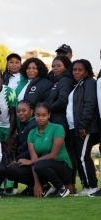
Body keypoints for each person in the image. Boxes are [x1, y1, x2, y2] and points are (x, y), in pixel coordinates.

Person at [7, 103, 72, 198]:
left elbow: (53, 155)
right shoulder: (32, 134)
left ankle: (62, 188)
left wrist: (31, 161)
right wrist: (37, 184)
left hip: (62, 167)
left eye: (44, 115)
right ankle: (45, 187)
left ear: (49, 115)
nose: (40, 118)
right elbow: (34, 160)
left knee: (39, 165)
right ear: (34, 115)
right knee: (12, 169)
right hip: (42, 167)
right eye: (38, 115)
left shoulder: (58, 128)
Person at [66, 59, 100, 196]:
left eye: (80, 69)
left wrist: (83, 126)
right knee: (81, 157)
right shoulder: (79, 84)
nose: (76, 72)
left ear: (86, 71)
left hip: (86, 128)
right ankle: (86, 187)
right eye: (74, 69)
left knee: (82, 157)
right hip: (76, 127)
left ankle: (92, 187)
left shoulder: (89, 83)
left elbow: (89, 104)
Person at [45, 56, 74, 191]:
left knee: (65, 154)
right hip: (56, 121)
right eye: (53, 66)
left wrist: (46, 110)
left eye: (58, 65)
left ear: (66, 67)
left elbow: (63, 101)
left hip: (61, 122)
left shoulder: (65, 80)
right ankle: (62, 184)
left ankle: (70, 184)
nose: (55, 68)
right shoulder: (57, 80)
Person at [5, 100, 37, 196]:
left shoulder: (34, 125)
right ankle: (31, 186)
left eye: (24, 110)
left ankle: (42, 185)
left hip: (35, 162)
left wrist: (17, 160)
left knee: (11, 170)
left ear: (31, 112)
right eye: (18, 111)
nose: (20, 113)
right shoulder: (22, 124)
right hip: (25, 160)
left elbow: (33, 149)